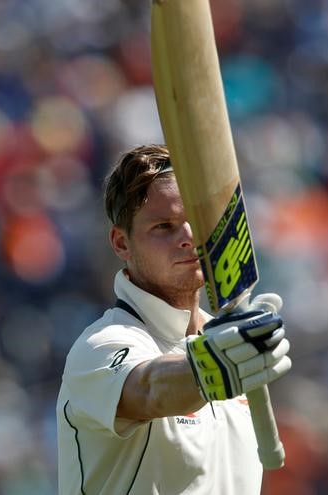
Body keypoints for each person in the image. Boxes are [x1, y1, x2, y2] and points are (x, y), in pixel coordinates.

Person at [56, 144, 292, 494]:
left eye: (194, 222)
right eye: (164, 227)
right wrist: (213, 365)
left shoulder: (230, 341)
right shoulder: (101, 345)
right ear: (122, 243)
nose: (188, 239)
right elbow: (152, 390)